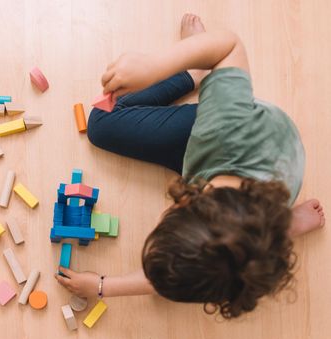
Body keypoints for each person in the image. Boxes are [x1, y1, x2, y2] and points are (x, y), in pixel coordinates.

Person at [54, 14, 325, 319]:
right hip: (228, 143)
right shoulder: (223, 124)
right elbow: (228, 45)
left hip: (253, 186)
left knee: (103, 127)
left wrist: (103, 286)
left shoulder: (236, 263)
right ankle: (193, 74)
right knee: (101, 125)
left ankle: (289, 223)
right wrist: (155, 66)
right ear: (188, 199)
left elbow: (174, 274)